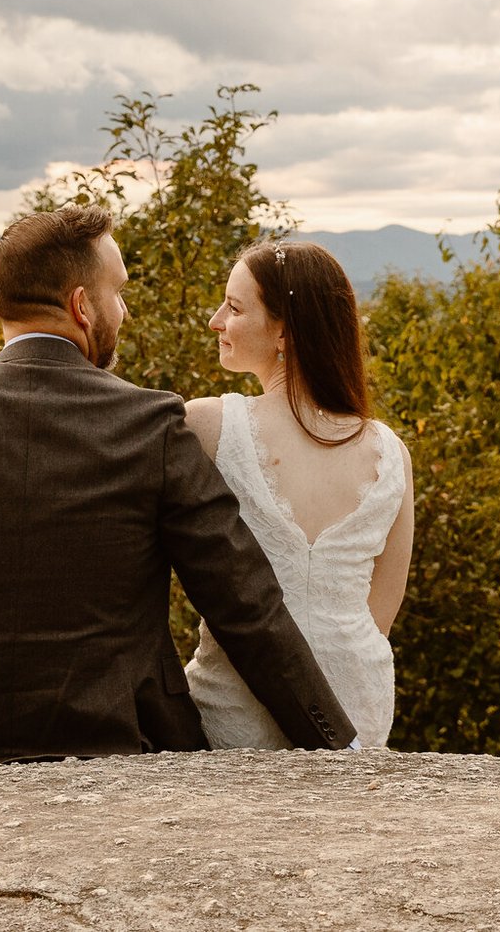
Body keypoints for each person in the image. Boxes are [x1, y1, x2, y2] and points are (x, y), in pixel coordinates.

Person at [0, 205, 356, 778]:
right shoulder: (150, 424)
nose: (124, 311)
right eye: (119, 293)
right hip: (117, 751)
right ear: (82, 306)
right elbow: (244, 604)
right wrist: (333, 746)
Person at [183, 239, 414, 749]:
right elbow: (380, 612)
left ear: (285, 330)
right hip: (355, 710)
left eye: (234, 307)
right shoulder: (389, 451)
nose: (215, 321)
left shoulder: (206, 426)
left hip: (236, 707)